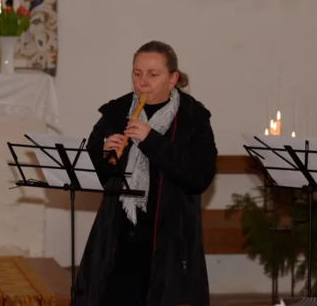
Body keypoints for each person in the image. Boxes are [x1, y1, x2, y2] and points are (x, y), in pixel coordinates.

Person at [75, 41, 218, 306]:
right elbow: (94, 173)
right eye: (137, 73)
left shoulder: (193, 117)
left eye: (153, 75)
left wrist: (152, 140)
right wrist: (105, 155)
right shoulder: (116, 112)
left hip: (170, 244)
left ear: (173, 78)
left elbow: (200, 176)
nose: (143, 82)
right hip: (118, 241)